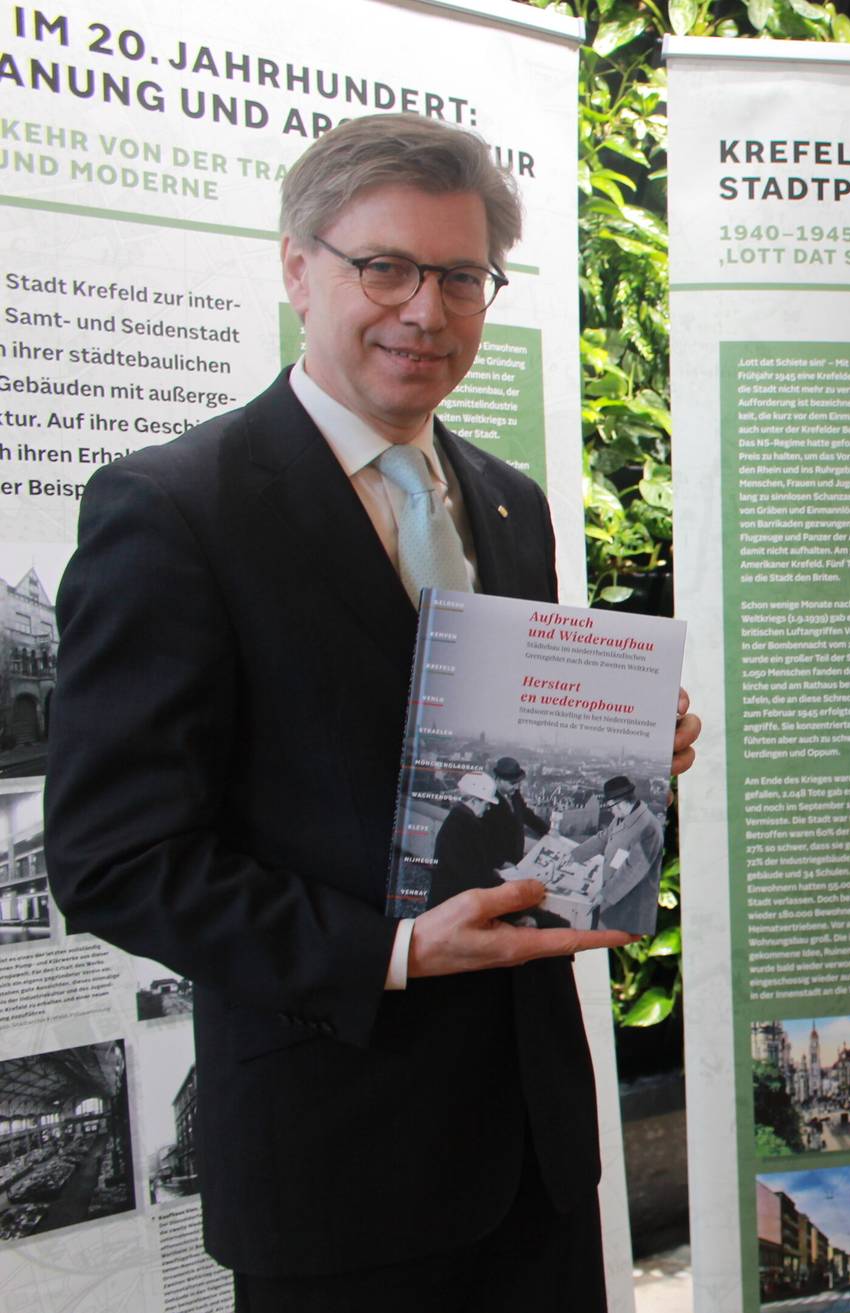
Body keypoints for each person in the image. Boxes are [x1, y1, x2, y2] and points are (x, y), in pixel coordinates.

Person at [44, 113, 700, 1311]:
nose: (425, 310)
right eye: (383, 266)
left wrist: (622, 754)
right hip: (338, 1166)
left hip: (537, 1151)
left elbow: (493, 762)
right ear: (299, 267)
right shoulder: (176, 510)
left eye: (460, 276)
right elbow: (114, 856)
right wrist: (390, 950)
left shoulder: (511, 503)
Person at [567, 775, 665, 936]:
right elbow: (604, 837)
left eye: (611, 806)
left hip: (631, 903)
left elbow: (631, 870)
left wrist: (604, 895)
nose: (610, 810)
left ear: (622, 803)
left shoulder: (649, 828)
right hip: (614, 893)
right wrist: (576, 855)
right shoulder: (624, 816)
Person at [430, 771, 505, 908]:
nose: (488, 808)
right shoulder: (467, 826)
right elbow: (474, 876)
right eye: (487, 803)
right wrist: (502, 881)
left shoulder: (458, 820)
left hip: (446, 902)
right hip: (455, 907)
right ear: (474, 801)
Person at [485, 754, 551, 865]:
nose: (517, 787)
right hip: (499, 865)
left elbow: (524, 813)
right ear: (498, 780)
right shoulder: (487, 801)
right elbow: (484, 840)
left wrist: (546, 831)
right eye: (512, 783)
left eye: (518, 783)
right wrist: (500, 862)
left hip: (516, 860)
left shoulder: (514, 793)